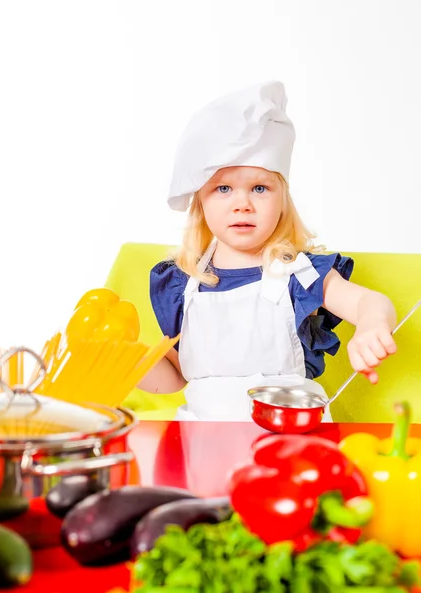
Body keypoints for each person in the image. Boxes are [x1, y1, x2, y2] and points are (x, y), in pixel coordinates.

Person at [138, 81, 397, 422]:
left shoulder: (300, 273)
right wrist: (129, 364)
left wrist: (371, 325)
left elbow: (368, 302)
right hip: (202, 447)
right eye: (223, 188)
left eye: (259, 188)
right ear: (200, 201)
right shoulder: (183, 283)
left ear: (282, 199)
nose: (242, 204)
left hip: (289, 443)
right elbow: (175, 376)